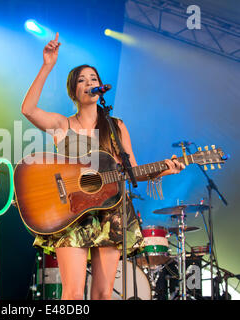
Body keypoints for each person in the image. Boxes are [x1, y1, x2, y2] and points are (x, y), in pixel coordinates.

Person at [21, 33, 185, 300]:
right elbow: (28, 109)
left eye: (93, 79)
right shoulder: (63, 125)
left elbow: (131, 171)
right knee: (73, 293)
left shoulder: (115, 126)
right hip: (70, 212)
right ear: (73, 91)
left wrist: (167, 167)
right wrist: (47, 65)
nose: (89, 83)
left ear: (100, 87)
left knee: (103, 293)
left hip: (110, 212)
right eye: (82, 80)